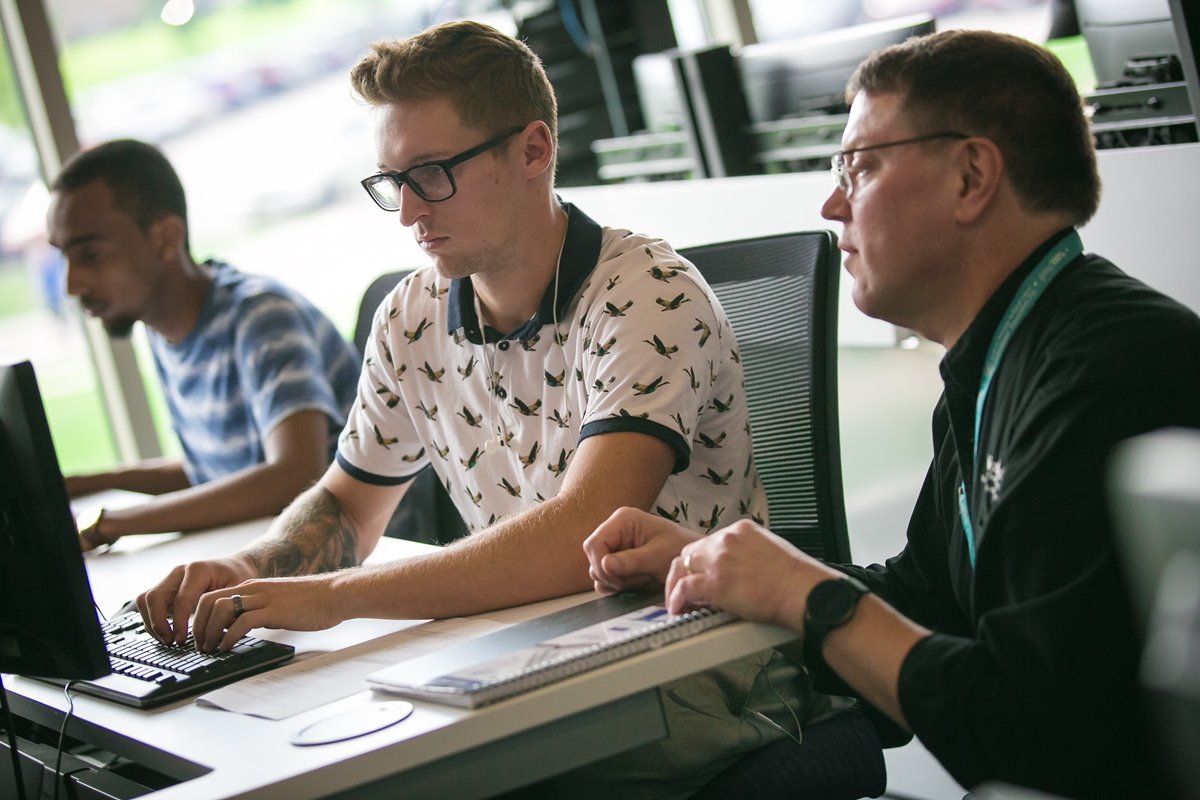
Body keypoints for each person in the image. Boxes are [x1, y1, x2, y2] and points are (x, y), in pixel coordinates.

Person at [137, 21, 833, 798]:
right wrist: (247, 571)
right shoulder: (411, 314)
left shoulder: (647, 295)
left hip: (704, 685)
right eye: (390, 180)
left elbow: (581, 537)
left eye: (431, 174)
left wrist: (330, 599)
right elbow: (346, 505)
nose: (406, 213)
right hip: (533, 666)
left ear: (533, 152)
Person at [584, 29, 1200, 800]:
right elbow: (925, 602)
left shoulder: (1104, 376)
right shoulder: (997, 359)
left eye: (860, 167)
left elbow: (1044, 744)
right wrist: (724, 567)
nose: (831, 202)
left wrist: (803, 595)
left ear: (971, 176)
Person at [48, 139, 361, 550]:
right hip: (284, 557)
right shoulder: (166, 331)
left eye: (89, 253)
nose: (72, 285)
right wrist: (80, 487)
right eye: (64, 257)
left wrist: (107, 525)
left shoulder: (261, 317)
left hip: (371, 557)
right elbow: (215, 473)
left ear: (164, 237)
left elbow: (292, 476)